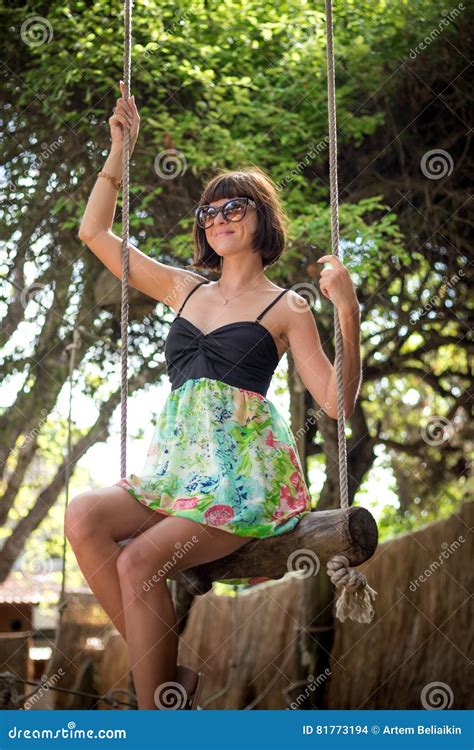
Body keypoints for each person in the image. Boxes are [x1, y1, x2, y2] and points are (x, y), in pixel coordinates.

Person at [66, 82, 361, 710]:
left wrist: (349, 311)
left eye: (234, 207)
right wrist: (122, 148)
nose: (218, 217)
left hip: (238, 479)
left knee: (138, 562)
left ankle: (159, 712)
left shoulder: (288, 307)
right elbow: (93, 230)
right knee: (83, 515)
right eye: (209, 211)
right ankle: (171, 679)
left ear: (261, 218)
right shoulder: (183, 287)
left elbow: (337, 403)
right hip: (176, 472)